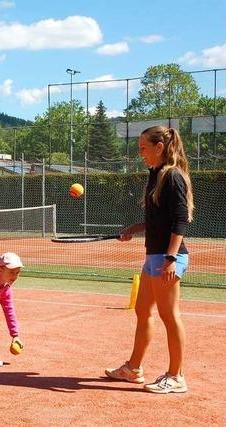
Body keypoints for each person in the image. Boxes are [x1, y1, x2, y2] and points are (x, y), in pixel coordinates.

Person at [105, 126, 194, 394]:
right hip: (155, 254)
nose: (140, 153)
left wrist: (170, 258)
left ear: (159, 148)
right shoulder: (155, 175)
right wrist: (133, 229)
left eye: (144, 148)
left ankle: (176, 376)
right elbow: (158, 220)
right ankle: (133, 369)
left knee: (169, 315)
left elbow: (180, 221)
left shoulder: (173, 176)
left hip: (167, 255)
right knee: (142, 310)